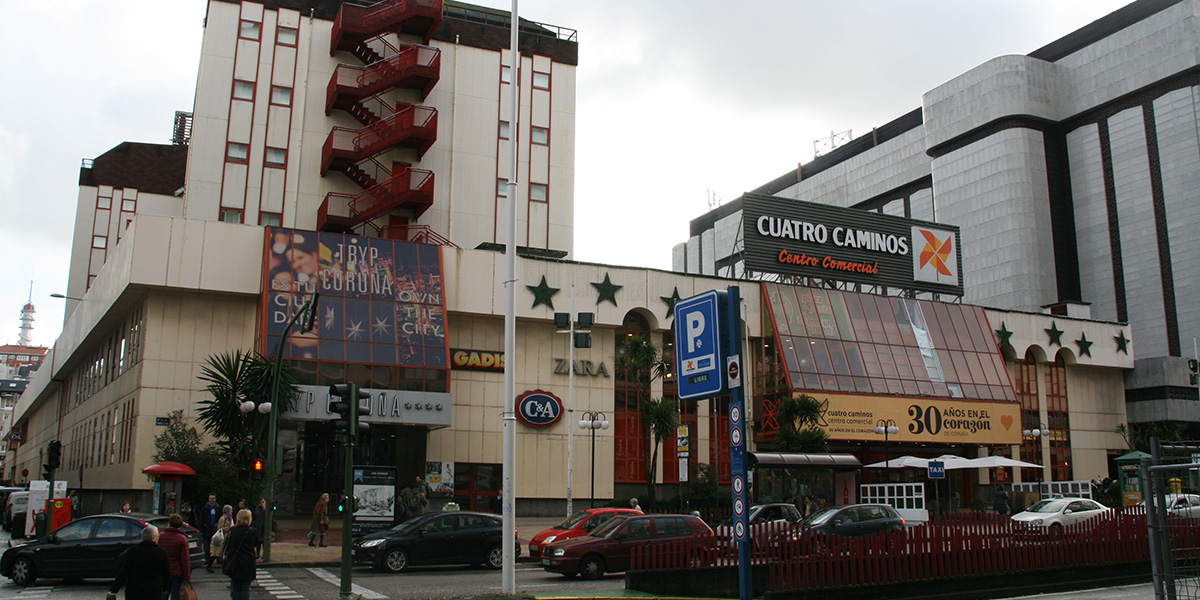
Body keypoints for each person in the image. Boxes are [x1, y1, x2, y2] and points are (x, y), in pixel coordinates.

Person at [106, 525, 170, 600]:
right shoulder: (161, 553)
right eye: (157, 537)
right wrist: (164, 588)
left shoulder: (132, 551)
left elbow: (123, 572)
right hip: (153, 590)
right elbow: (166, 572)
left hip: (134, 590)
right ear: (153, 538)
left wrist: (113, 591)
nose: (158, 538)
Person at [223, 509, 261, 600]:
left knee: (236, 587)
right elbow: (256, 543)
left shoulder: (233, 531)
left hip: (235, 561)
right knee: (245, 588)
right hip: (248, 561)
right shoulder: (252, 532)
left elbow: (229, 545)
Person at [158, 514, 192, 600]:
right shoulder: (182, 539)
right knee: (176, 594)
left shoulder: (161, 537)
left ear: (169, 523)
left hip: (163, 570)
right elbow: (185, 560)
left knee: (163, 594)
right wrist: (187, 576)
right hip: (177, 571)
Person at [206, 504, 233, 572]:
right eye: (230, 510)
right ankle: (209, 565)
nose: (231, 511)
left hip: (226, 537)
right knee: (217, 553)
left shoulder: (229, 518)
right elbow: (220, 528)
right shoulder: (223, 518)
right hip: (221, 537)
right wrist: (229, 528)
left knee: (222, 552)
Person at [200, 494, 220, 565]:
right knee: (206, 544)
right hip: (207, 528)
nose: (212, 500)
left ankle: (218, 557)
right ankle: (207, 558)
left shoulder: (217, 507)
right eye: (210, 498)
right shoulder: (205, 508)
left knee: (217, 543)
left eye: (213, 498)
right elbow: (202, 519)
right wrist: (202, 529)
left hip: (215, 528)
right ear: (208, 499)